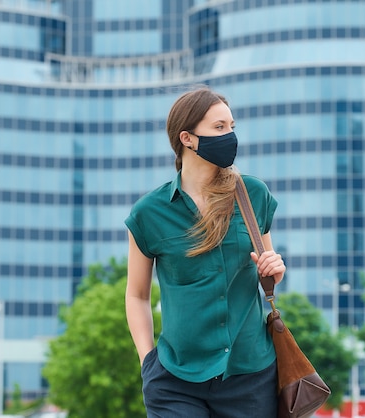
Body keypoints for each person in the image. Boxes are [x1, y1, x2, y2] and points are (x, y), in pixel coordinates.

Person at [124, 86, 286, 418]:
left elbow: (268, 265)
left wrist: (275, 271)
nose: (230, 136)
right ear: (187, 138)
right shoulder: (149, 213)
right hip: (175, 378)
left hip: (250, 374)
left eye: (231, 127)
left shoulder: (253, 194)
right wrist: (148, 362)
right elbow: (137, 295)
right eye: (219, 127)